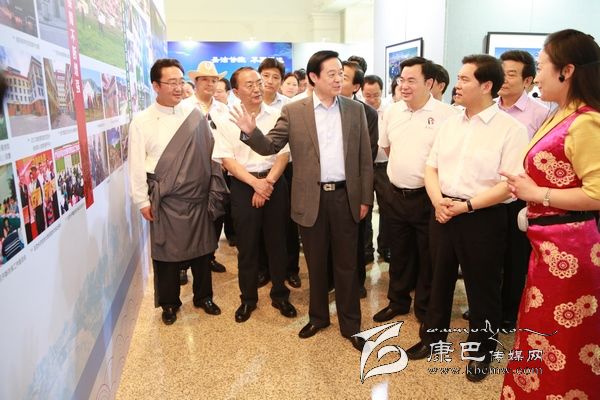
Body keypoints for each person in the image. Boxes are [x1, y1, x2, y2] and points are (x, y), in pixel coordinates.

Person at [231, 50, 373, 351]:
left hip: (346, 197)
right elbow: (271, 145)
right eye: (332, 74)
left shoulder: (354, 110)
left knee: (347, 265)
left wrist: (365, 199)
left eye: (341, 74)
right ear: (313, 77)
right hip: (311, 198)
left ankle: (351, 325)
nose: (339, 79)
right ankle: (318, 317)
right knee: (316, 264)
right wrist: (250, 132)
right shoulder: (295, 111)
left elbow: (364, 158)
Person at [405, 54, 529, 383]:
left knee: (482, 286)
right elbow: (431, 167)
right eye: (458, 78)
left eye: (464, 79)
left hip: (483, 217)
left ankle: (482, 349)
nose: (456, 85)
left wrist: (468, 206)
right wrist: (438, 201)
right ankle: (432, 338)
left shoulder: (511, 130)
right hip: (443, 210)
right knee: (436, 279)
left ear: (486, 86)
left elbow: (509, 184)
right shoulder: (450, 123)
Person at [501, 29, 600, 399]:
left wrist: (537, 193)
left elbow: (597, 192)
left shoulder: (586, 121)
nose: (537, 75)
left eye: (541, 66)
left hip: (570, 254)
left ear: (567, 70)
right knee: (541, 332)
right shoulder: (561, 114)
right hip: (548, 247)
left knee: (562, 339)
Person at [128, 58, 228, 325]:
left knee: (203, 250)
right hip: (166, 199)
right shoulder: (142, 121)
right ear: (155, 85)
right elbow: (136, 165)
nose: (177, 87)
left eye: (180, 82)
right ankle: (169, 303)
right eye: (171, 82)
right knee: (167, 254)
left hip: (198, 196)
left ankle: (203, 296)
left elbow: (210, 151)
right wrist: (141, 200)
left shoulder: (193, 114)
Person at [374, 57, 457, 324]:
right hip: (396, 194)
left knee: (427, 256)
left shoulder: (447, 115)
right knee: (399, 253)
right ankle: (397, 301)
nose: (404, 85)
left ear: (429, 83)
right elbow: (387, 147)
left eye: (412, 80)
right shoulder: (392, 111)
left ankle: (424, 308)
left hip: (428, 198)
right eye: (402, 80)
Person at [212, 67, 297, 323]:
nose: (257, 88)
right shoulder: (225, 118)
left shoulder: (278, 115)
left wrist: (267, 183)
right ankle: (248, 299)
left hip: (274, 182)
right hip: (243, 185)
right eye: (249, 85)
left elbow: (283, 154)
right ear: (236, 91)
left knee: (277, 243)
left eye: (258, 83)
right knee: (247, 246)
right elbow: (227, 159)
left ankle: (280, 295)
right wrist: (254, 184)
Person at [497, 49, 550, 331]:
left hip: (519, 196)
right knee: (489, 255)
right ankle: (489, 305)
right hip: (488, 195)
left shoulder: (541, 113)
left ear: (528, 80)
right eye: (501, 73)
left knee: (515, 257)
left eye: (511, 74)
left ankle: (508, 312)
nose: (504, 79)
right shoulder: (489, 108)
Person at [184, 61, 230, 275]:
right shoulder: (184, 107)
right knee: (190, 216)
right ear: (196, 82)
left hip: (218, 168)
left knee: (216, 213)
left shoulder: (223, 109)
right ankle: (184, 264)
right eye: (205, 80)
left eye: (214, 80)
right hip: (191, 170)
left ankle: (210, 255)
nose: (210, 84)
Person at [362, 74, 392, 263]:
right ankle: (366, 249)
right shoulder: (358, 110)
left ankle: (385, 247)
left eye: (376, 95)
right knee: (364, 207)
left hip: (384, 166)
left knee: (387, 207)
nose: (372, 99)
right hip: (365, 167)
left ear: (382, 91)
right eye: (368, 95)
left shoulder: (390, 110)